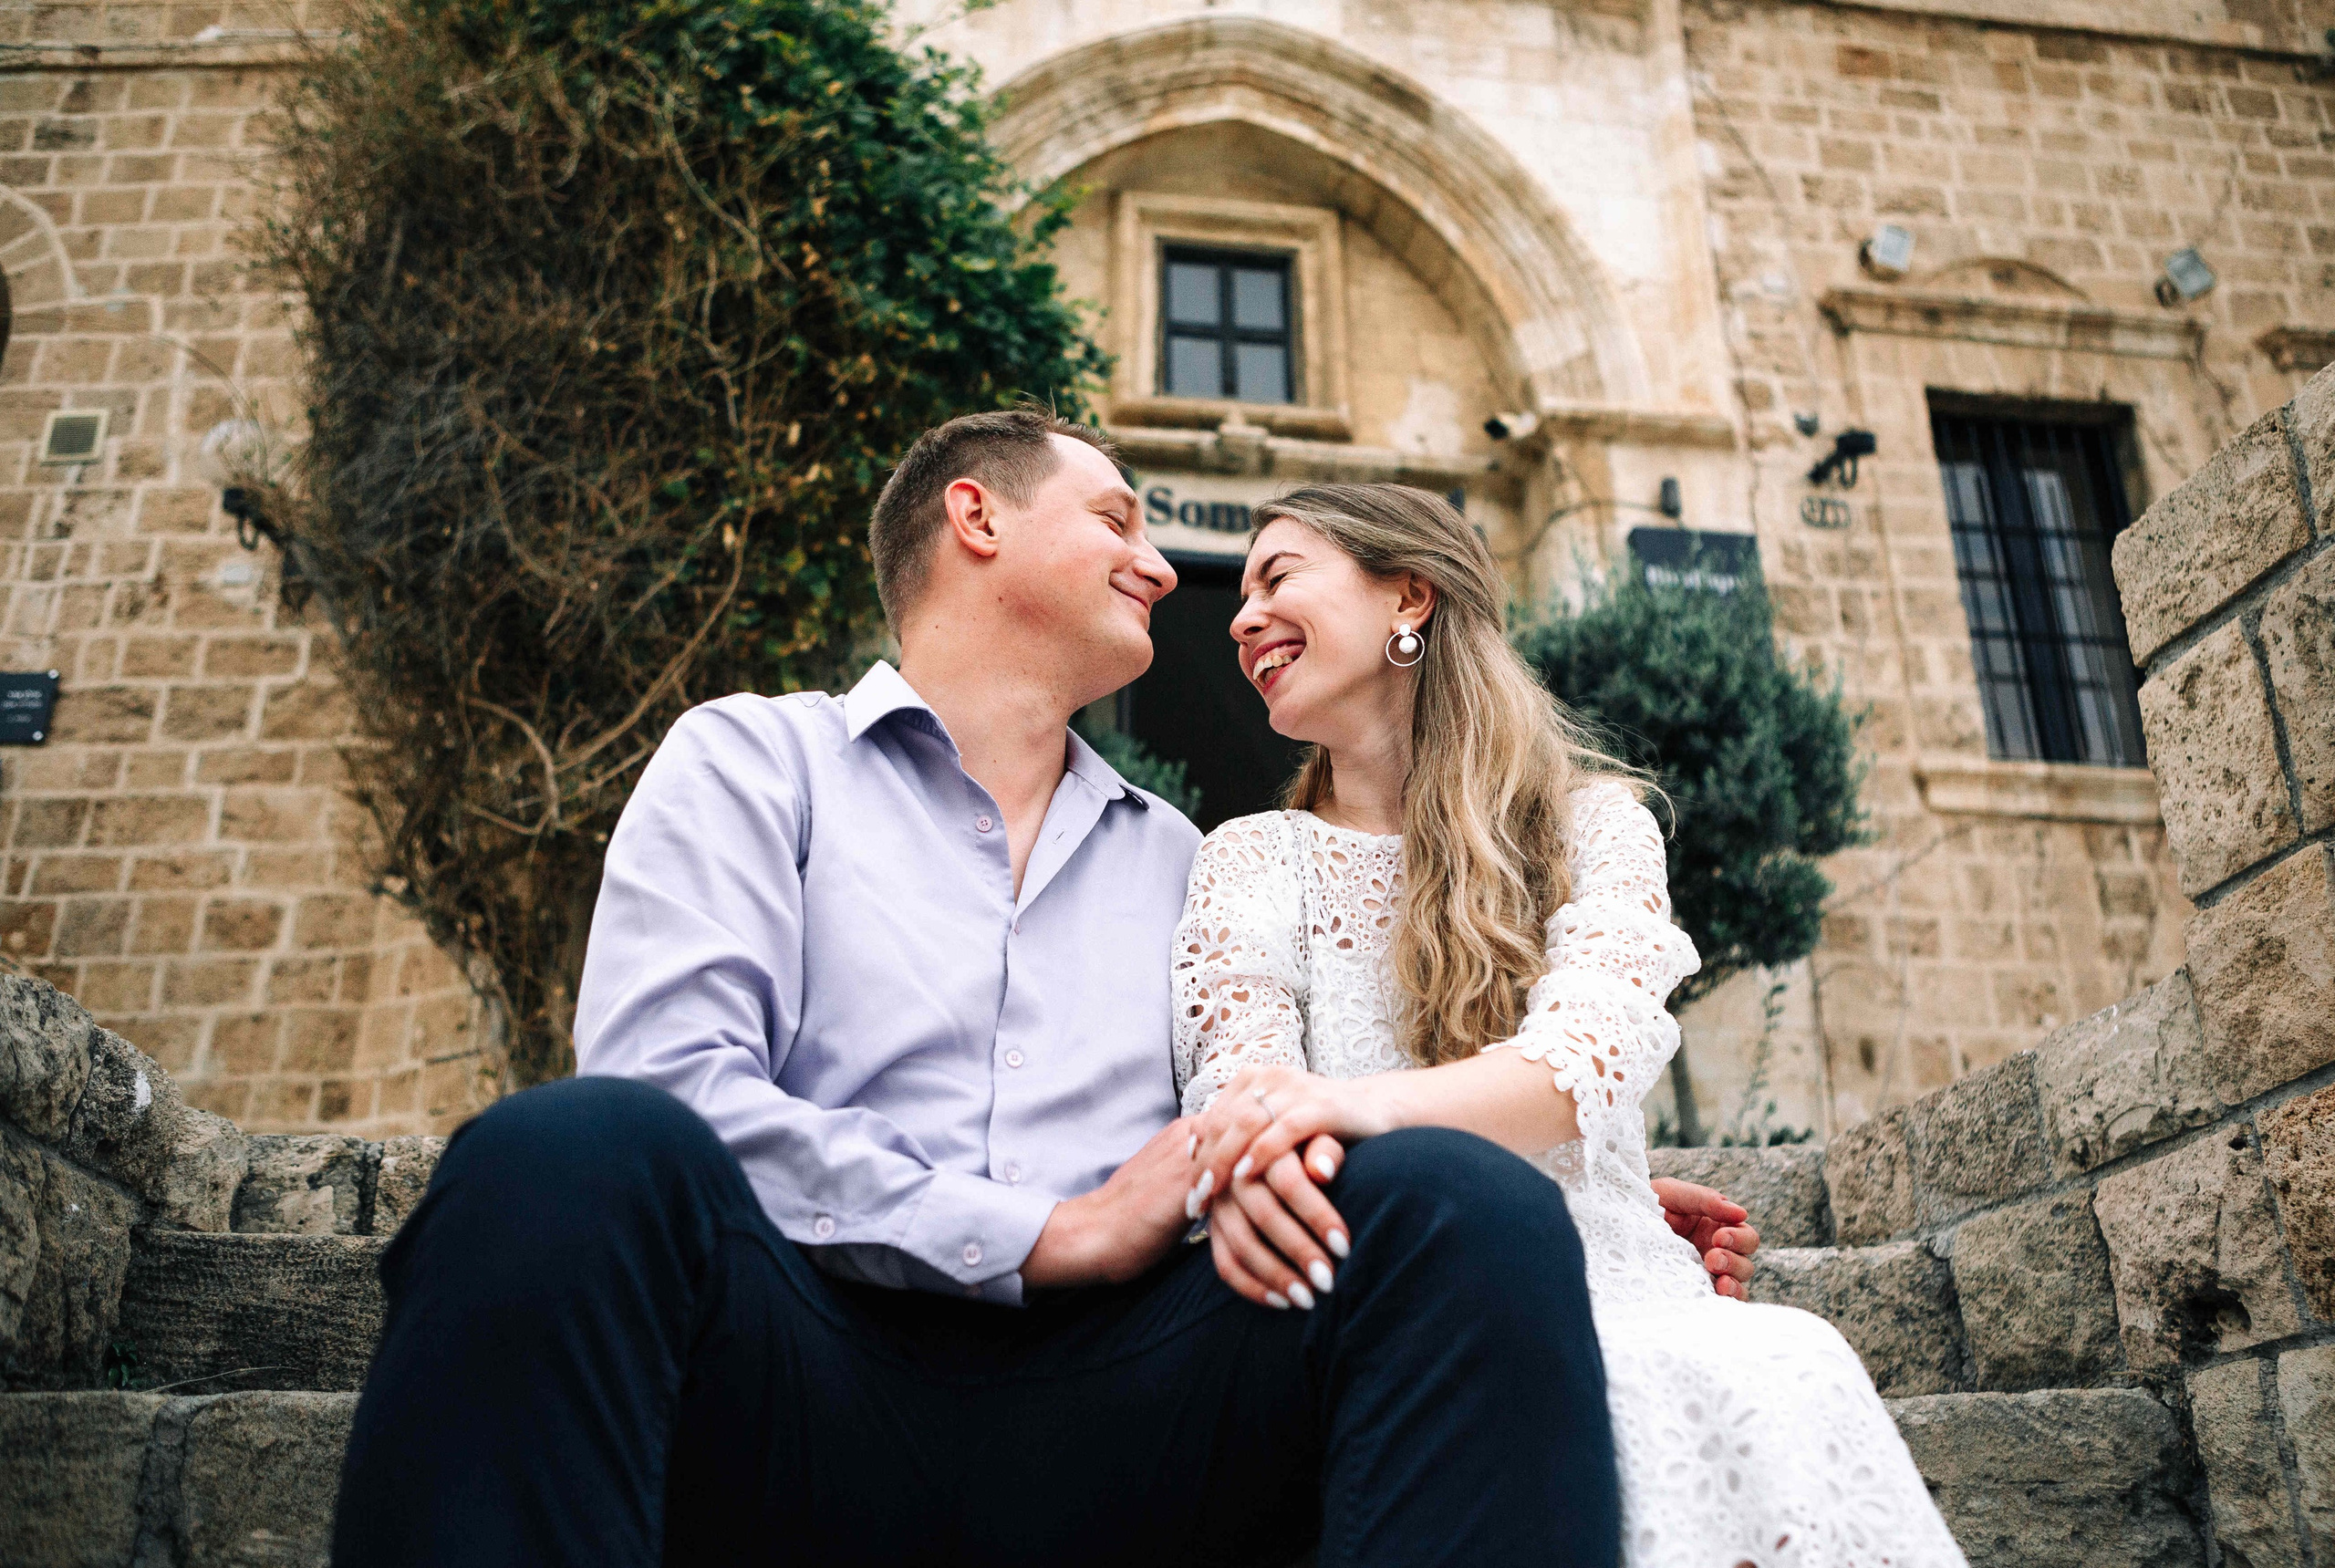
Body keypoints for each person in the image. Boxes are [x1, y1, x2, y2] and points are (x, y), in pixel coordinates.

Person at [330, 410, 1759, 1568]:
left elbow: (1293, 1095)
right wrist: (1039, 1231)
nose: (1162, 567)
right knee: (558, 1153)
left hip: (1135, 1402)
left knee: (1469, 1208)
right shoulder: (753, 762)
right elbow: (675, 1094)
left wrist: (1597, 1186)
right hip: (792, 1369)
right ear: (978, 519)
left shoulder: (1193, 862)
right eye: (1120, 520)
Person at [1170, 482, 1966, 1568]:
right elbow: (1244, 1101)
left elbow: (1577, 1062)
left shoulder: (1600, 826)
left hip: (1626, 1275)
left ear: (1410, 595)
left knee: (1784, 1361)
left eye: (1278, 576)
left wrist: (1583, 1167)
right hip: (1385, 1286)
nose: (1239, 614)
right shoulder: (1249, 857)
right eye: (1244, 590)